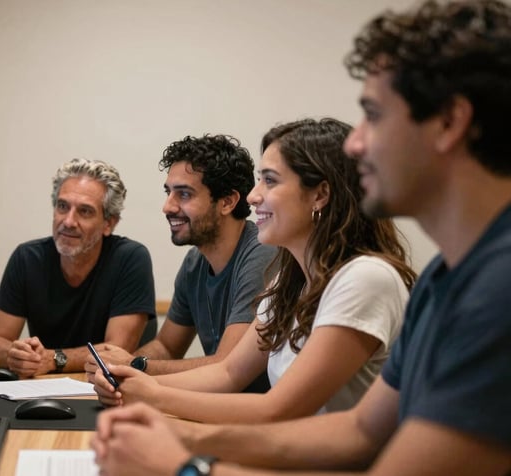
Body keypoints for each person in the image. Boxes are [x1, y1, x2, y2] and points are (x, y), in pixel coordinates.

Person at [91, 1, 511, 475]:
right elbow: (358, 431)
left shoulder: (496, 287)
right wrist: (181, 435)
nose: (356, 143)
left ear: (450, 122)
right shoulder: (444, 275)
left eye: (374, 115)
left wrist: (184, 466)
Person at [91, 118, 415, 422]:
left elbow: (277, 409)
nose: (254, 195)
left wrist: (153, 395)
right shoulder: (289, 280)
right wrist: (130, 382)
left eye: (269, 180)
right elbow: (228, 373)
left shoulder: (366, 279)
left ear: (320, 195)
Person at [86, 134, 276, 393]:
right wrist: (114, 366)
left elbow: (227, 365)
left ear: (228, 201)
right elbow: (166, 347)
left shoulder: (262, 254)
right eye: (169, 193)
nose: (167, 207)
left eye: (184, 194)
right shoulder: (194, 262)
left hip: (255, 411)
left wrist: (134, 366)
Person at [0, 158, 156, 378]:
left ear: (109, 223)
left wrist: (53, 359)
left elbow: (116, 350)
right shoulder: (27, 258)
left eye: (85, 211)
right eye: (62, 206)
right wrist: (15, 355)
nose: (68, 221)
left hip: (112, 385)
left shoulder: (130, 258)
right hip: (42, 384)